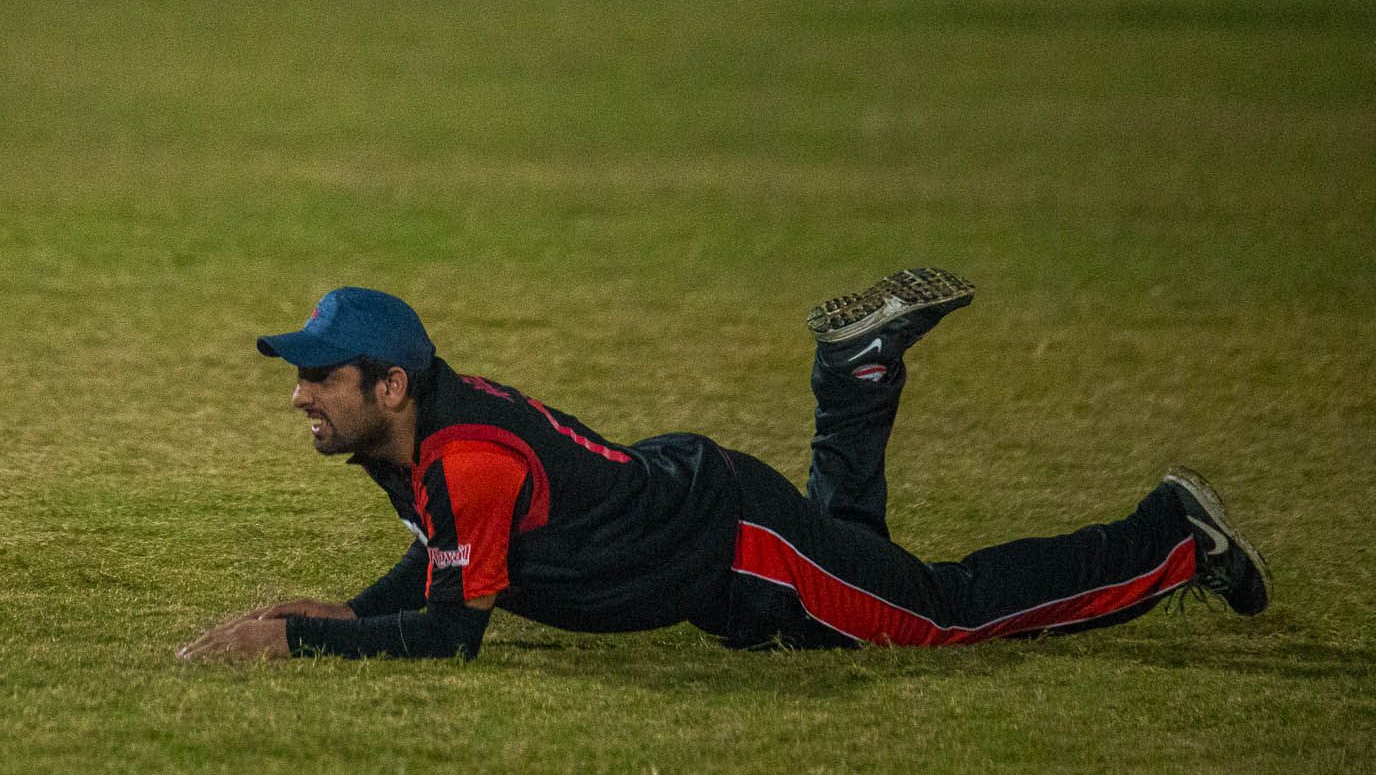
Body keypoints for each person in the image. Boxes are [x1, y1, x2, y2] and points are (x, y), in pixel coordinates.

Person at [178, 271, 1270, 662]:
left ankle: (1171, 533)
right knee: (861, 571)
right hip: (711, 518)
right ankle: (855, 375)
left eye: (319, 376)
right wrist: (350, 611)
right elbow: (452, 553)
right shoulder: (424, 432)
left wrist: (301, 639)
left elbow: (453, 631)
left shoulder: (466, 455)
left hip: (740, 542)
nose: (299, 394)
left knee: (940, 615)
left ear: (390, 385)